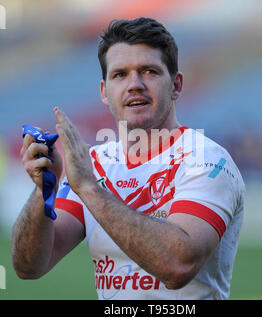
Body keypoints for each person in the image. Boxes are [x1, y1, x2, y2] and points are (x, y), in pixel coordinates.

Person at [11, 17, 245, 300]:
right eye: (120, 74)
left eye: (149, 71)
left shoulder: (208, 161)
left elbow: (177, 265)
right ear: (104, 93)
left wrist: (89, 188)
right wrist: (43, 191)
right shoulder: (94, 163)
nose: (135, 84)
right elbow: (29, 266)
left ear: (177, 85)